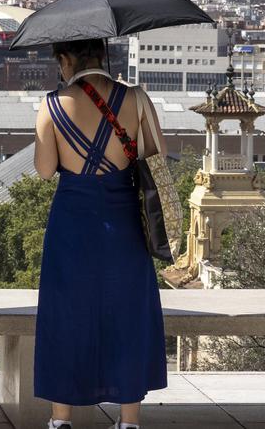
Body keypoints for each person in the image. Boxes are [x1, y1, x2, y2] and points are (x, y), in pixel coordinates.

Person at [32, 39, 167, 429]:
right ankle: (129, 420)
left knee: (66, 313)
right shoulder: (137, 98)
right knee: (127, 311)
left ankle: (61, 419)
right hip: (125, 222)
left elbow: (44, 170)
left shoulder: (52, 105)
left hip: (71, 225)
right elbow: (156, 155)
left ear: (65, 60)